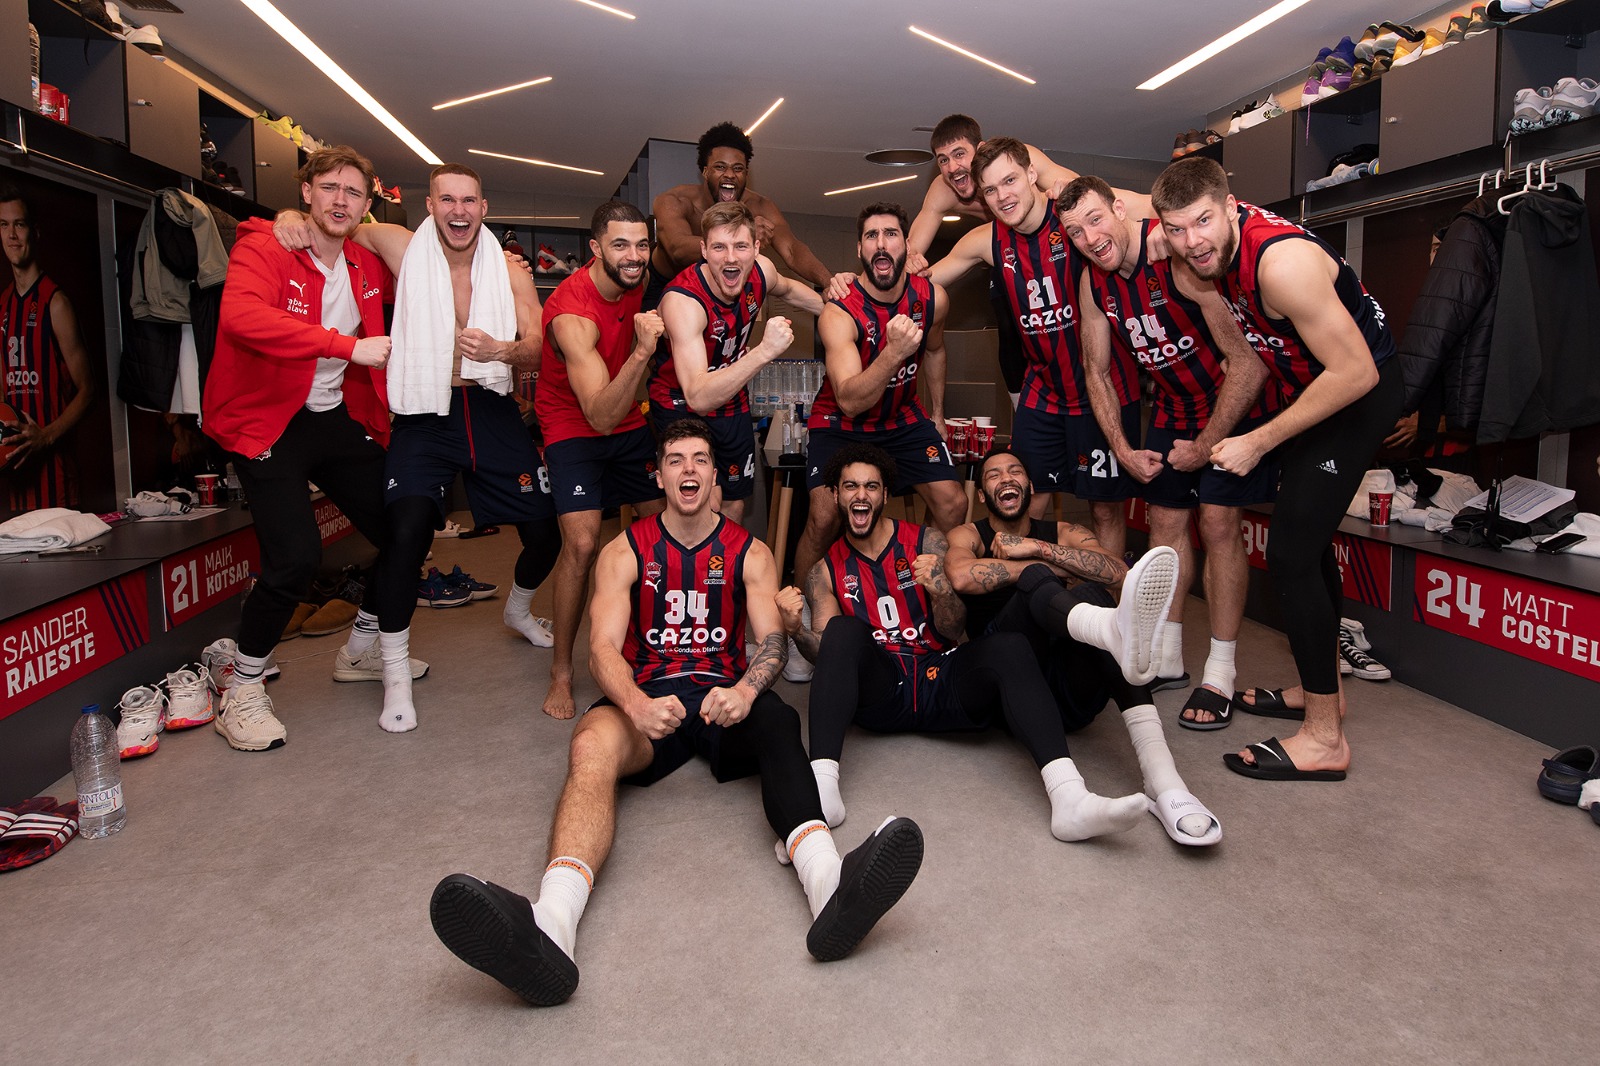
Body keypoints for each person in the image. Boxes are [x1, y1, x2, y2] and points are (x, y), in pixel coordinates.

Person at [428, 419, 924, 1006]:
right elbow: (601, 648)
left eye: (700, 460)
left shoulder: (751, 552)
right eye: (676, 460)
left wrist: (744, 691)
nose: (689, 470)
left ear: (716, 475)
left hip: (720, 697)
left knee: (779, 721)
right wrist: (635, 705)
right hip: (650, 697)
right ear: (658, 474)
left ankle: (827, 885)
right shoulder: (625, 550)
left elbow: (771, 641)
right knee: (589, 743)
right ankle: (551, 925)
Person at [272, 163, 558, 733]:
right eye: (447, 200)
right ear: (430, 206)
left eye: (469, 201)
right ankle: (393, 671)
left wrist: (500, 349)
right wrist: (291, 218)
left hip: (491, 408)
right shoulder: (401, 245)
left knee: (546, 533)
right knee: (405, 534)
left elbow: (537, 350)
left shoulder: (509, 272)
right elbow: (340, 221)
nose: (458, 210)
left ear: (483, 207)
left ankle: (518, 608)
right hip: (425, 414)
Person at [781, 442, 1181, 843]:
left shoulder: (927, 541)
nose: (861, 495)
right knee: (842, 632)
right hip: (883, 689)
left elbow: (955, 629)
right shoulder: (823, 571)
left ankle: (1070, 798)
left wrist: (939, 591)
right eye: (850, 486)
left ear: (886, 494)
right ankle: (822, 790)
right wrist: (798, 629)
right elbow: (829, 656)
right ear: (835, 495)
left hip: (944, 678)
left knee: (1008, 647)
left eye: (871, 486)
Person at [1151, 155, 1403, 781]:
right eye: (1176, 230)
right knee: (1308, 546)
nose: (1191, 242)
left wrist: (1259, 440)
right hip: (1314, 393)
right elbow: (1132, 212)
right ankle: (1326, 695)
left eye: (1203, 222)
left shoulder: (1280, 265)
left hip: (1355, 393)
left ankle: (1323, 739)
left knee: (1289, 553)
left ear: (1231, 207)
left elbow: (1356, 373)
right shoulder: (1197, 244)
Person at [203, 145, 415, 752]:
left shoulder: (362, 263)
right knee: (295, 559)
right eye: (329, 188)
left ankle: (362, 647)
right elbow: (241, 317)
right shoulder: (267, 246)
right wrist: (345, 347)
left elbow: (432, 271)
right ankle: (242, 687)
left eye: (354, 192)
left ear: (367, 204)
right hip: (266, 422)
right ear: (306, 192)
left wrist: (494, 261)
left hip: (331, 416)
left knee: (406, 526)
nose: (340, 201)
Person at [1058, 175, 1277, 726]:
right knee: (1164, 525)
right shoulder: (1092, 282)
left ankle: (1220, 673)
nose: (1090, 237)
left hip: (1233, 403)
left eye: (1096, 218)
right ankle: (1169, 656)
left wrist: (1207, 447)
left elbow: (1248, 363)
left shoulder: (1174, 257)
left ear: (1119, 209)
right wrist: (1124, 449)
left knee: (1220, 524)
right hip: (1175, 406)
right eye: (1074, 231)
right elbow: (1096, 371)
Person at [944, 446, 1222, 845]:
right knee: (1046, 585)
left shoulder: (1059, 532)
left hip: (1066, 694)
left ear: (1029, 485)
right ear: (984, 494)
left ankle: (1165, 781)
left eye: (1015, 471)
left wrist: (1039, 548)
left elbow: (1118, 573)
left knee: (1093, 590)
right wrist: (1049, 566)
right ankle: (1110, 629)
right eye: (993, 475)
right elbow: (962, 577)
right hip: (1008, 688)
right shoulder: (968, 534)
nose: (1006, 478)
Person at [925, 138, 1137, 550]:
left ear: (1032, 175)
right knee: (1020, 503)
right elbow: (920, 286)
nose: (1003, 195)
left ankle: (1110, 607)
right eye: (990, 189)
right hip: (1043, 394)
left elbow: (1142, 213)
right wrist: (852, 290)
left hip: (1106, 388)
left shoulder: (1073, 222)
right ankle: (1020, 604)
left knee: (1105, 508)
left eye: (1010, 180)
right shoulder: (987, 240)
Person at [789, 202, 968, 675]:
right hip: (842, 421)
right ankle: (805, 617)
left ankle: (935, 601)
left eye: (891, 234)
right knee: (825, 513)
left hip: (904, 419)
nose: (882, 244)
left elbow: (934, 350)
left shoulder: (933, 299)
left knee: (952, 502)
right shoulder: (839, 310)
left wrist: (938, 413)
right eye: (872, 236)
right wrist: (892, 352)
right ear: (861, 249)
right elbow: (850, 398)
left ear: (906, 246)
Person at [899, 115, 1150, 409]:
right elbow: (910, 255)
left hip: (1047, 241)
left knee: (1077, 306)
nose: (952, 168)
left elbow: (1081, 192)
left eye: (959, 155)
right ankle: (1024, 406)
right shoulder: (943, 191)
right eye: (943, 160)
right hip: (1003, 250)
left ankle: (1119, 374)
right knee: (1009, 322)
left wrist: (1064, 191)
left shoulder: (1020, 158)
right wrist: (903, 266)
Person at [536, 200, 669, 720]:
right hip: (574, 423)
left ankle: (657, 648)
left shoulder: (636, 279)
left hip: (626, 417)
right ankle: (562, 671)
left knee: (660, 530)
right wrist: (640, 352)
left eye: (641, 244)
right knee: (584, 541)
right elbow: (599, 418)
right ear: (595, 249)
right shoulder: (573, 314)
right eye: (620, 245)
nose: (633, 256)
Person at [653, 201, 824, 526]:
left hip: (731, 403)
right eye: (719, 247)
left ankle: (719, 573)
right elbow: (699, 396)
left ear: (756, 248)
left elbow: (791, 290)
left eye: (741, 246)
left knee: (733, 503)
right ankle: (688, 572)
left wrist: (851, 317)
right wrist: (763, 352)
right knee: (695, 506)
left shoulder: (761, 271)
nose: (731, 258)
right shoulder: (684, 302)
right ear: (704, 249)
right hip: (681, 405)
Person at [649, 122, 842, 302]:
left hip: (716, 285)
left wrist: (831, 283)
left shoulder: (759, 205)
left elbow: (791, 250)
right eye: (720, 167)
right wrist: (743, 235)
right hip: (661, 283)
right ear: (705, 172)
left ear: (746, 174)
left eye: (738, 169)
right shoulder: (675, 201)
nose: (730, 175)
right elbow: (677, 249)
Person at [0, 187, 95, 515]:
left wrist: (46, 436)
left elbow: (88, 390)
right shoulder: (1, 307)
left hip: (56, 486)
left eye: (20, 225)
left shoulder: (56, 303)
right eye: (3, 225)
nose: (12, 235)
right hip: (13, 485)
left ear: (34, 232)